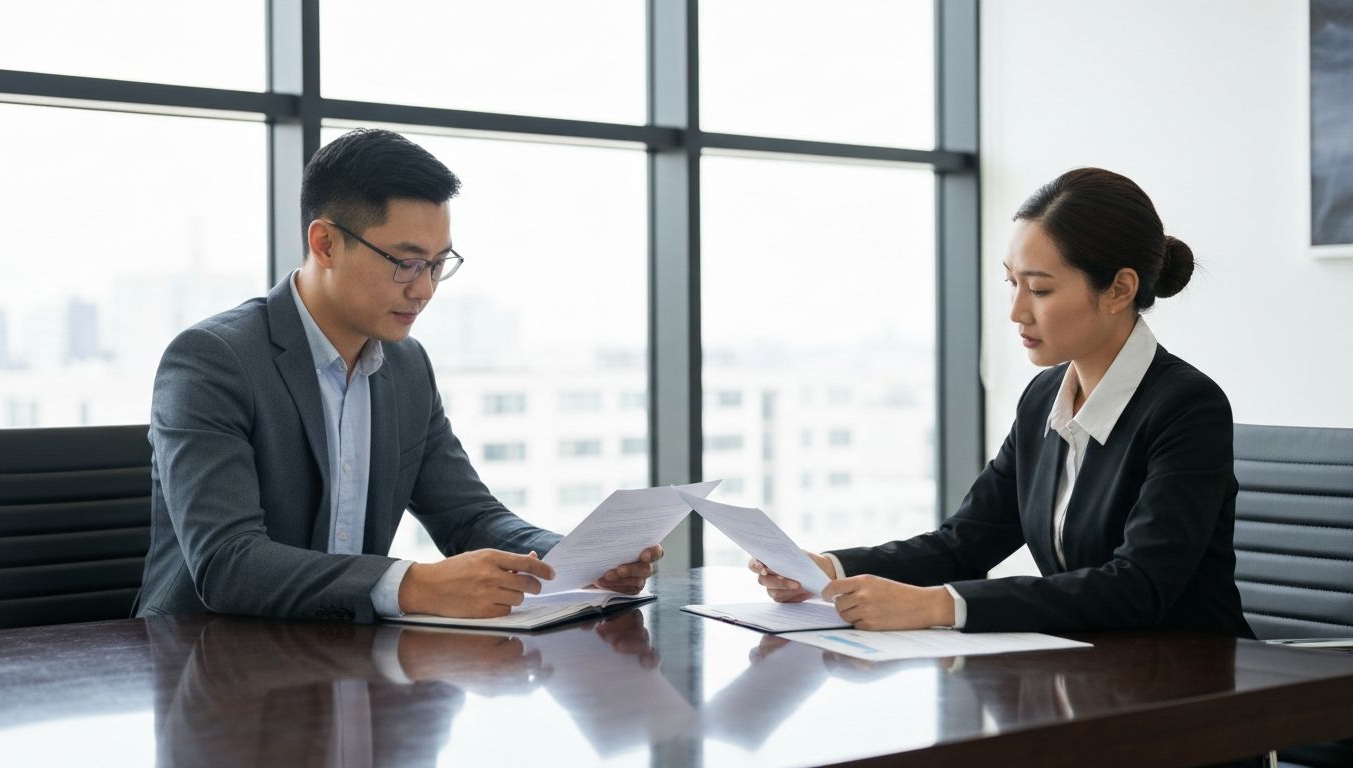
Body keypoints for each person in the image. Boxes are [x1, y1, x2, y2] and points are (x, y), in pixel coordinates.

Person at [135, 128, 658, 623]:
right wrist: (415, 585)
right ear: (325, 244)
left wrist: (573, 560)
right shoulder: (214, 360)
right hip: (206, 657)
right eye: (406, 263)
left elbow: (468, 517)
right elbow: (228, 563)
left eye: (437, 264)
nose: (424, 289)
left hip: (345, 653)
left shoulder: (406, 366)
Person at [752, 167, 1253, 637]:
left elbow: (1138, 588)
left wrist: (938, 605)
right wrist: (829, 569)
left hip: (1193, 676)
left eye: (1039, 289)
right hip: (1089, 668)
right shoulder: (1043, 399)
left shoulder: (1187, 407)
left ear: (1120, 289)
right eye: (1013, 283)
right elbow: (964, 543)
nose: (1016, 311)